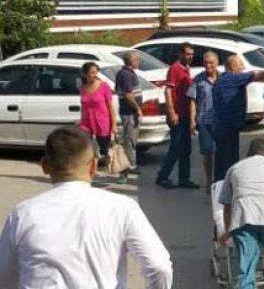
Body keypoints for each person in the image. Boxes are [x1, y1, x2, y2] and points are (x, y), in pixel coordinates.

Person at [0, 127, 173, 288]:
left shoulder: (22, 215)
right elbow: (160, 267)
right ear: (93, 166)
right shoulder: (122, 208)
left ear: (45, 165)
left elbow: (5, 277)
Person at [218, 138, 264, 289]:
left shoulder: (235, 168)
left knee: (246, 269)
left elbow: (227, 205)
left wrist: (227, 231)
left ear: (249, 153)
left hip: (244, 219)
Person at [213, 55, 264, 182]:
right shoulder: (232, 78)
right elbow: (257, 75)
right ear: (233, 66)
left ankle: (221, 184)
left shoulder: (223, 79)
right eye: (241, 65)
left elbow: (258, 79)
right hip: (228, 126)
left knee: (222, 157)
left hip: (224, 125)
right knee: (229, 159)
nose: (243, 68)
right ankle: (228, 185)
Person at [157, 42, 199, 190]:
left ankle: (184, 178)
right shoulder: (174, 69)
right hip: (178, 114)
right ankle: (163, 177)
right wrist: (171, 112)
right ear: (180, 54)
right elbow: (168, 91)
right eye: (187, 54)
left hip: (186, 113)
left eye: (192, 55)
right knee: (175, 147)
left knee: (186, 148)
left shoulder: (186, 69)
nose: (190, 57)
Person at [187, 51, 219, 193]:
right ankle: (209, 181)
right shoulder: (198, 79)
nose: (208, 65)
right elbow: (193, 101)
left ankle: (220, 181)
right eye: (206, 62)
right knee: (207, 153)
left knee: (220, 152)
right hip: (204, 121)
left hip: (220, 122)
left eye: (211, 62)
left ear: (216, 63)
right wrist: (192, 120)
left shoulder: (223, 78)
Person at [78, 61, 116, 164]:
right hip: (86, 123)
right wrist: (81, 120)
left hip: (102, 123)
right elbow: (83, 106)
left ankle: (117, 168)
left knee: (106, 149)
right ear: (85, 74)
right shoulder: (82, 88)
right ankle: (89, 168)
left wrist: (114, 125)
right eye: (92, 72)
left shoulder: (104, 86)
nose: (94, 75)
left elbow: (110, 107)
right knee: (86, 148)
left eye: (96, 72)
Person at [115, 50, 142, 184]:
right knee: (128, 141)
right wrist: (137, 109)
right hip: (129, 113)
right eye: (136, 59)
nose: (138, 61)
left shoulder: (130, 73)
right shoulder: (125, 74)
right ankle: (124, 171)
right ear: (130, 61)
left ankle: (131, 165)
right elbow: (128, 95)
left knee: (132, 141)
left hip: (131, 113)